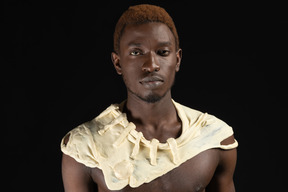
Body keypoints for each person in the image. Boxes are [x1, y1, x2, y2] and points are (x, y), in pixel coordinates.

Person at [61, 4, 238, 192]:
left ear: (177, 60)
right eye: (137, 53)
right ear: (118, 62)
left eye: (162, 52)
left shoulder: (212, 137)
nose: (152, 65)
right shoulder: (85, 147)